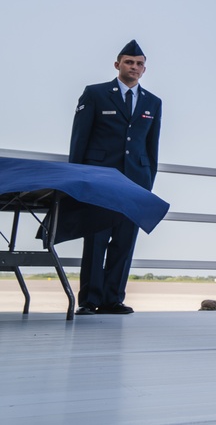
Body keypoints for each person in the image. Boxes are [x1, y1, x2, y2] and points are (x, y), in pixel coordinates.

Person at [69, 40, 161, 315]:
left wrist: (147, 185)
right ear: (117, 64)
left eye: (139, 64)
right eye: (129, 62)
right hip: (100, 180)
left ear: (144, 70)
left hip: (135, 182)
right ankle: (90, 300)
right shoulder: (95, 94)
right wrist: (76, 179)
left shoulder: (152, 102)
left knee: (125, 240)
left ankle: (113, 299)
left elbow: (151, 148)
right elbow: (79, 140)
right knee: (96, 239)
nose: (134, 67)